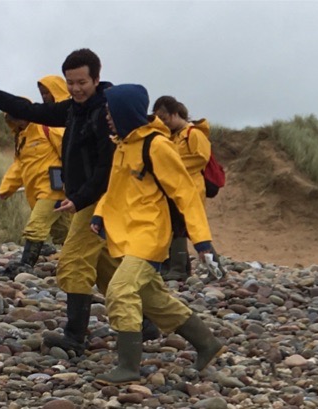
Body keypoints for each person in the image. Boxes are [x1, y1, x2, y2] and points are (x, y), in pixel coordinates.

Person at [0, 49, 159, 354]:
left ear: (96, 78)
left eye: (82, 82)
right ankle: (147, 322)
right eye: (70, 82)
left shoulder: (104, 114)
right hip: (85, 199)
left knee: (73, 263)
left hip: (98, 201)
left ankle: (74, 338)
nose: (76, 88)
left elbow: (106, 170)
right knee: (107, 266)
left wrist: (79, 199)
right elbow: (33, 112)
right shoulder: (74, 109)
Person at [91, 84, 225, 385]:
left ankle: (128, 366)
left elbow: (186, 194)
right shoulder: (124, 144)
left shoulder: (157, 145)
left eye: (110, 111)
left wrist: (203, 242)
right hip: (125, 234)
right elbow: (115, 190)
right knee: (153, 299)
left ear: (125, 111)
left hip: (149, 235)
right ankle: (206, 343)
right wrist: (100, 215)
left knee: (120, 290)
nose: (107, 117)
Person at [0, 75, 72, 277]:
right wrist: (7, 188)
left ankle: (27, 264)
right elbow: (19, 165)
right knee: (63, 231)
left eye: (18, 116)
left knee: (36, 225)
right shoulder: (21, 138)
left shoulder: (46, 127)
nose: (16, 121)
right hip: (37, 189)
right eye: (12, 118)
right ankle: (87, 259)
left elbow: (67, 153)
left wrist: (73, 183)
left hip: (53, 188)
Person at [152, 96, 211, 281]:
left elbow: (201, 157)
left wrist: (171, 165)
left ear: (175, 114)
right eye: (158, 118)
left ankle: (207, 268)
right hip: (174, 187)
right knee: (175, 227)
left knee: (189, 229)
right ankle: (179, 268)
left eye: (164, 117)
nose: (162, 122)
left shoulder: (194, 133)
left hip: (191, 187)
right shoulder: (172, 136)